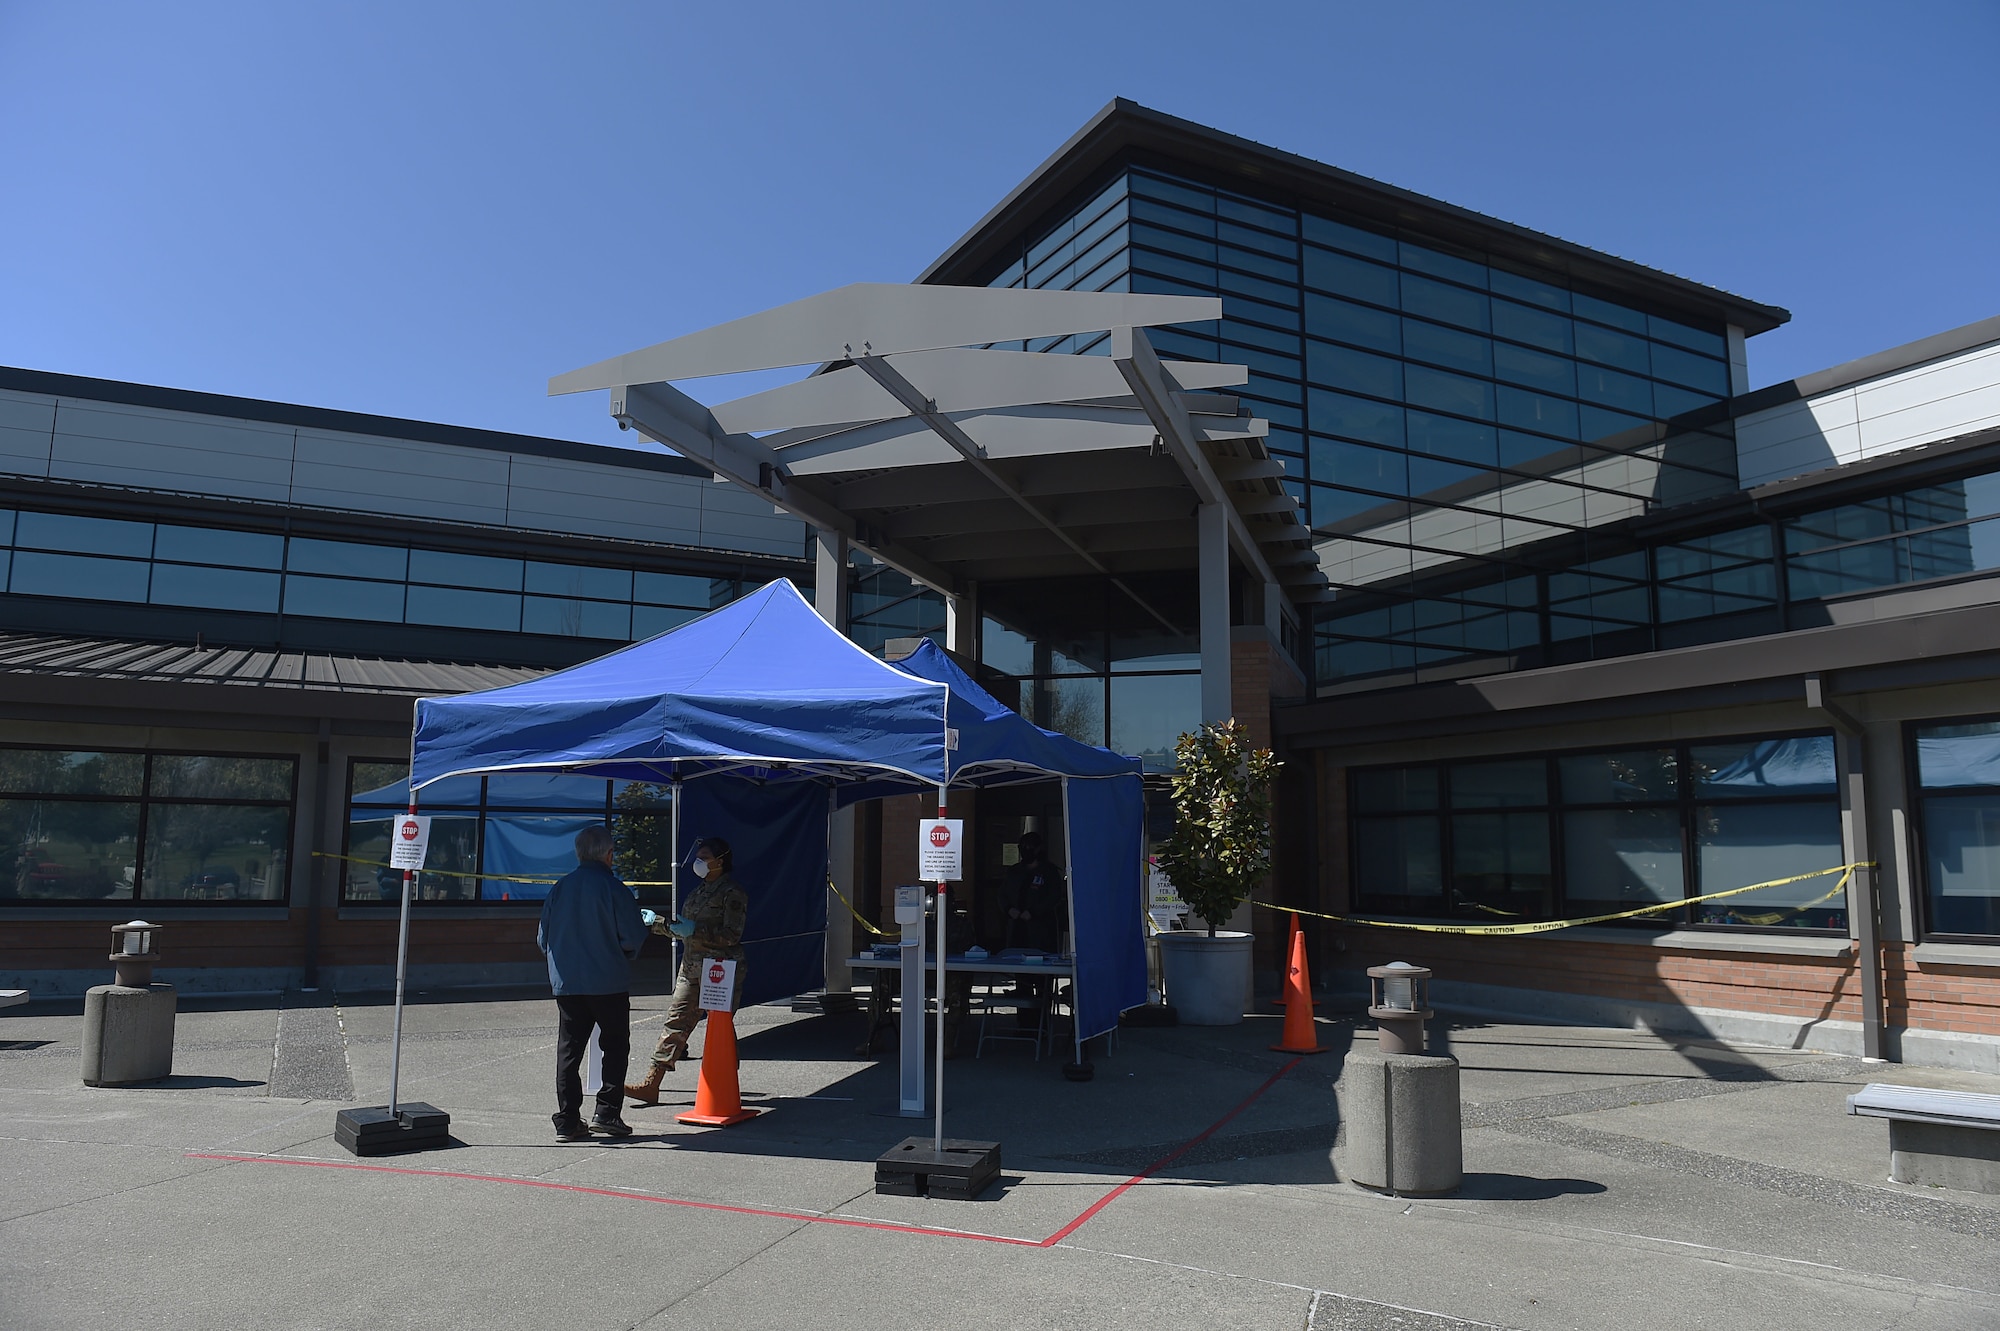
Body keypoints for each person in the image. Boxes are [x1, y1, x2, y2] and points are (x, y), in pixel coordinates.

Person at [537, 824, 646, 1142]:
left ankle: (568, 1119)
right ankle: (607, 1112)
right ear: (609, 854)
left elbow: (543, 939)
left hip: (567, 982)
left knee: (569, 1050)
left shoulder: (560, 888)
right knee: (614, 1046)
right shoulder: (614, 888)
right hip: (607, 980)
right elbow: (633, 936)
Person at [625, 836, 748, 1105]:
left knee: (720, 1028)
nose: (698, 862)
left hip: (720, 971)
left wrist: (695, 930)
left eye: (704, 857)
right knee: (675, 1022)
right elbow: (684, 931)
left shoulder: (732, 893)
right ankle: (651, 1083)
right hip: (691, 969)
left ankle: (726, 1086)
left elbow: (731, 935)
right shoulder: (697, 892)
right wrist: (657, 923)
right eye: (698, 857)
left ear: (720, 860)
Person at [1002, 831, 1067, 1027]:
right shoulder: (1014, 872)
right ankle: (1024, 1024)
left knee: (1041, 983)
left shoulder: (1049, 873)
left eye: (1030, 847)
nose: (1026, 851)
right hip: (1017, 932)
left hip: (1041, 933)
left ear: (1039, 849)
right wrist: (1009, 909)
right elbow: (1002, 894)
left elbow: (1054, 897)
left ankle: (1042, 1026)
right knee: (1022, 982)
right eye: (1023, 848)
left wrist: (1034, 912)